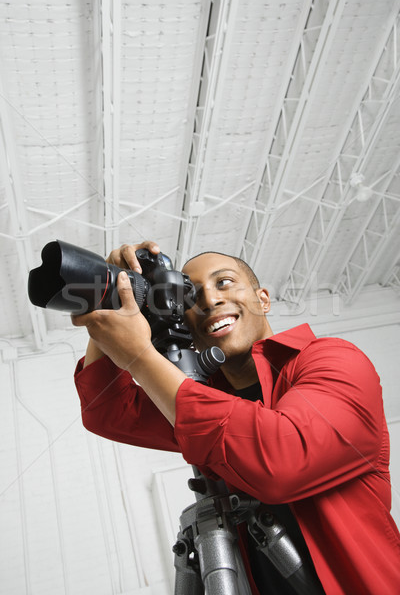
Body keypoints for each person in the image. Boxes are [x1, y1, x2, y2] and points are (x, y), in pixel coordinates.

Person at [72, 240, 400, 594]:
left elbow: (279, 461)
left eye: (224, 282)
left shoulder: (332, 360)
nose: (210, 300)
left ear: (263, 299)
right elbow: (108, 412)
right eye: (192, 296)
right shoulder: (203, 399)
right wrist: (114, 298)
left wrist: (139, 357)